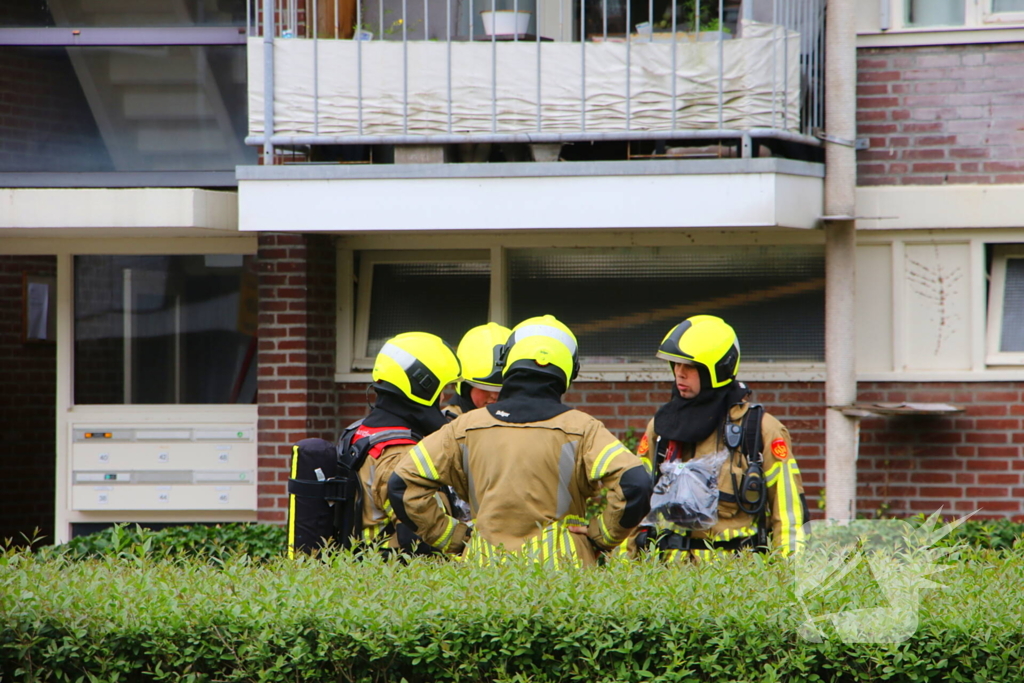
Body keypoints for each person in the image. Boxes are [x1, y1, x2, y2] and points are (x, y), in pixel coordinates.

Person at [388, 315, 653, 566]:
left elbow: (403, 483)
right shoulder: (583, 428)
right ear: (569, 371)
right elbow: (635, 483)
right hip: (565, 579)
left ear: (509, 364)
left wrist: (454, 538)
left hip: (484, 576)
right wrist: (601, 535)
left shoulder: (464, 427)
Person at [636, 315, 807, 559]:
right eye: (675, 364)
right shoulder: (661, 429)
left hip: (735, 582)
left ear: (718, 368)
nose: (679, 374)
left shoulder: (760, 430)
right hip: (667, 583)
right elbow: (635, 503)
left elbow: (790, 517)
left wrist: (787, 582)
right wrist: (624, 574)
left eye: (690, 366)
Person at [352, 331, 462, 551]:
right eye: (441, 390)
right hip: (394, 572)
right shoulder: (400, 452)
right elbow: (424, 535)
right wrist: (472, 542)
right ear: (423, 386)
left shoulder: (363, 430)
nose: (443, 399)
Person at [443, 322, 512, 419]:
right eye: (485, 388)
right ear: (465, 387)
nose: (494, 396)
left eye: (503, 388)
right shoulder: (445, 427)